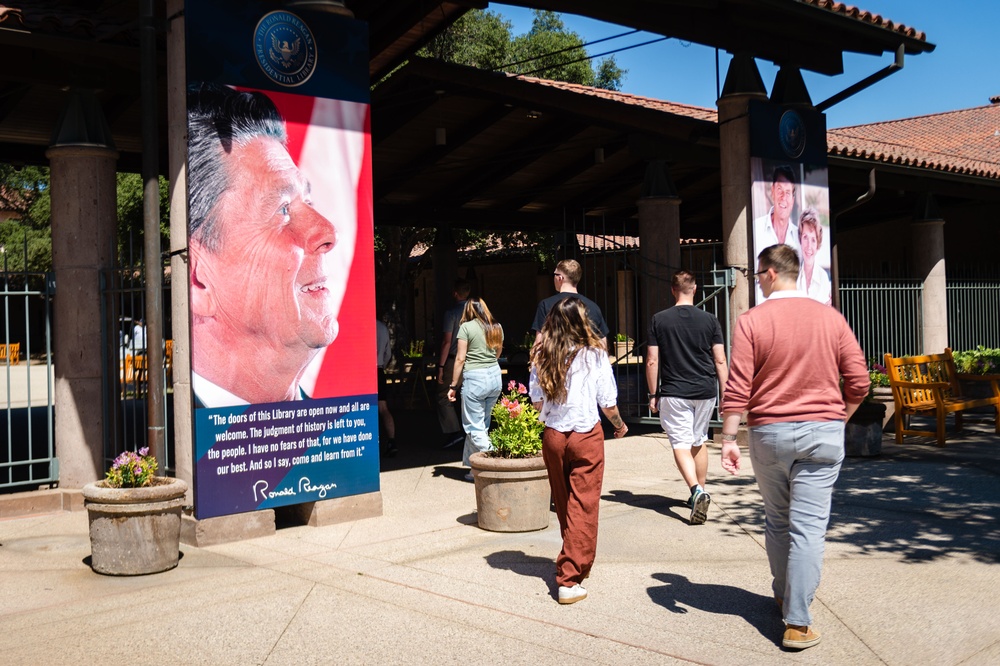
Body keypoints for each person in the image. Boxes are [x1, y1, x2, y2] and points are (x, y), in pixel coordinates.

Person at [719, 244, 869, 651]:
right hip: (823, 431)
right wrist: (838, 419)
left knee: (777, 520)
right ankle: (798, 623)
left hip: (770, 433)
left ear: (768, 273)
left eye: (756, 276)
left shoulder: (751, 321)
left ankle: (785, 596)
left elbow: (738, 386)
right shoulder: (830, 318)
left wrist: (729, 438)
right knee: (809, 528)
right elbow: (859, 380)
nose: (756, 282)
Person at [186, 83, 341, 407]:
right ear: (199, 280)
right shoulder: (192, 441)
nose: (327, 232)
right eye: (282, 209)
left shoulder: (334, 435)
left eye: (308, 201)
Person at [529, 297, 628, 605]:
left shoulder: (541, 356)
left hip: (555, 436)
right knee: (583, 506)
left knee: (564, 502)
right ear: (580, 322)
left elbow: (536, 403)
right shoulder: (595, 355)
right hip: (585, 435)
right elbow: (607, 401)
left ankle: (574, 559)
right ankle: (569, 578)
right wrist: (620, 425)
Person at [645, 271, 728, 524]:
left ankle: (696, 491)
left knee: (680, 443)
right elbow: (720, 360)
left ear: (672, 290)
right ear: (695, 289)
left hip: (674, 391)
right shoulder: (710, 320)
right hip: (705, 390)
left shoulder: (659, 320)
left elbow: (652, 360)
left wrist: (652, 393)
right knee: (698, 439)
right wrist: (726, 395)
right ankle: (699, 493)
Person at [446, 298, 503, 480]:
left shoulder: (466, 328)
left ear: (468, 311)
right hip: (495, 376)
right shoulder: (496, 326)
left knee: (473, 427)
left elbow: (460, 358)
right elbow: (498, 352)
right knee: (482, 426)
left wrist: (453, 385)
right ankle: (474, 469)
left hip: (475, 379)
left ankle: (495, 458)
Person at [531, 259, 609, 348]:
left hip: (558, 360)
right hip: (585, 360)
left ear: (560, 277)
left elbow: (539, 342)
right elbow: (602, 343)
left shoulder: (546, 305)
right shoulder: (593, 307)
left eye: (555, 274)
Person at [753, 166, 800, 304]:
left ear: (793, 198)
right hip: (762, 313)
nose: (783, 197)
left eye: (787, 192)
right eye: (779, 190)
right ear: (772, 191)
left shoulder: (800, 237)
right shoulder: (755, 228)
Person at [437, 279, 471, 449]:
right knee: (469, 395)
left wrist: (441, 367)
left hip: (454, 358)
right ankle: (471, 431)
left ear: (455, 293)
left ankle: (454, 432)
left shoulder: (451, 313)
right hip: (473, 359)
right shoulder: (475, 313)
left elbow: (446, 341)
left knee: (444, 396)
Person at [796, 208, 832, 305]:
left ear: (817, 244)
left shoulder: (823, 278)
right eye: (805, 237)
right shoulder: (793, 277)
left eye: (813, 240)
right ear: (800, 239)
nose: (808, 246)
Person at [376, 319, 397, 457]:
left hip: (361, 372)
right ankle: (392, 441)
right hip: (378, 370)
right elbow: (388, 353)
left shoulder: (359, 324)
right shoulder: (382, 327)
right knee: (383, 408)